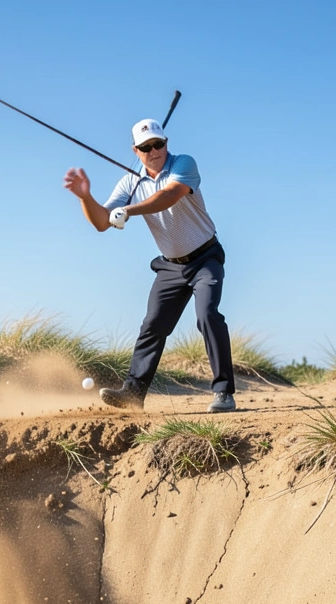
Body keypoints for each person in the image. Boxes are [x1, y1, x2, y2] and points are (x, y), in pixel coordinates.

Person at [62, 118, 235, 413]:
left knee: (207, 315)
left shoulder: (184, 164)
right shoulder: (131, 182)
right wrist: (86, 197)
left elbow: (167, 197)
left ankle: (224, 393)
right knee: (152, 325)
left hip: (206, 258)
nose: (154, 150)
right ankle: (133, 393)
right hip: (170, 267)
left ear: (166, 142)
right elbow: (103, 222)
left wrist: (127, 210)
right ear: (136, 150)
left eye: (158, 144)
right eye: (146, 147)